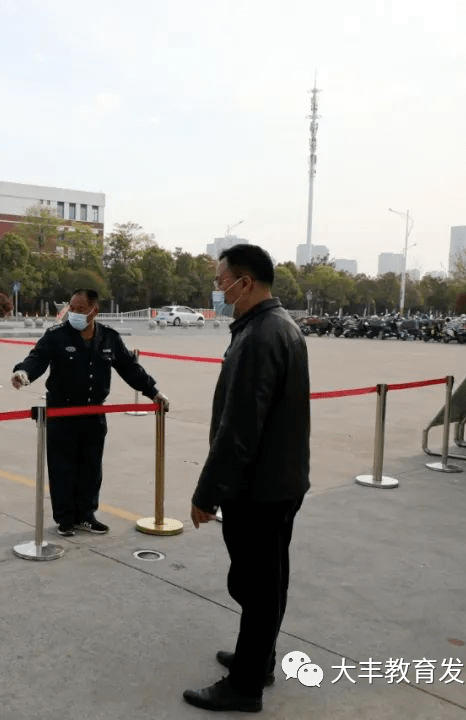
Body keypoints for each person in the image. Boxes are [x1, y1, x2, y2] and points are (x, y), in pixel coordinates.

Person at [183, 244, 310, 713]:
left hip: (259, 488)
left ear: (246, 282)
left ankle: (245, 686)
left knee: (256, 586)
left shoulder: (259, 336)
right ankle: (258, 660)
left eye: (221, 282)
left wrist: (207, 493)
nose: (218, 290)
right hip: (281, 481)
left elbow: (239, 428)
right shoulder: (280, 326)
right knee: (267, 582)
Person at [11, 289, 169, 537]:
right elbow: (38, 357)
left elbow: (129, 368)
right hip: (61, 413)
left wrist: (153, 392)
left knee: (91, 467)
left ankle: (86, 516)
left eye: (80, 309)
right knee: (62, 467)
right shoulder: (57, 335)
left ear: (95, 310)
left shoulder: (109, 338)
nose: (73, 313)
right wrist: (24, 373)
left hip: (93, 413)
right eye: (71, 308)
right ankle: (65, 519)